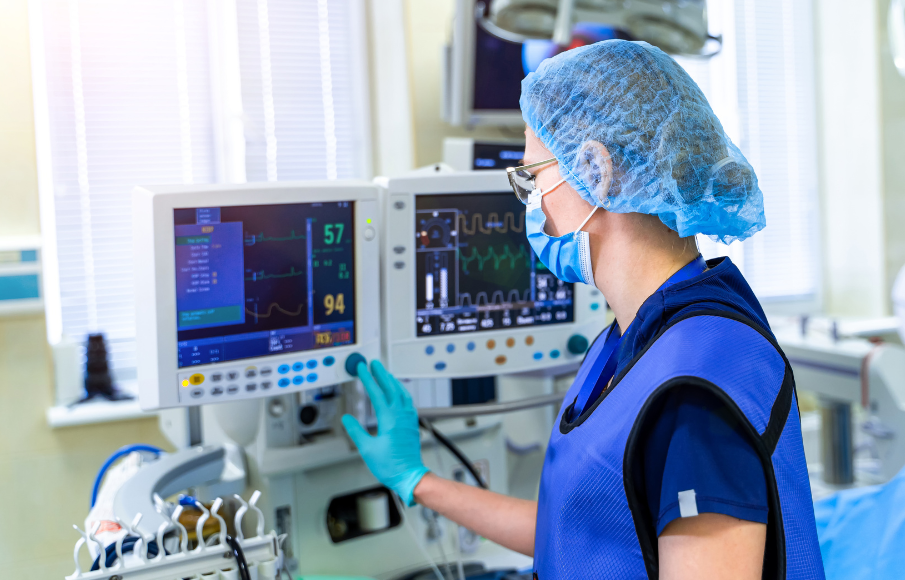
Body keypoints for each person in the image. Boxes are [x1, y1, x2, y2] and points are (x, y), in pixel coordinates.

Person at [342, 40, 824, 580]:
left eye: (533, 178)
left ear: (595, 170)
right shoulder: (631, 340)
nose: (531, 206)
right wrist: (416, 480)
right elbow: (583, 534)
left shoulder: (694, 385)